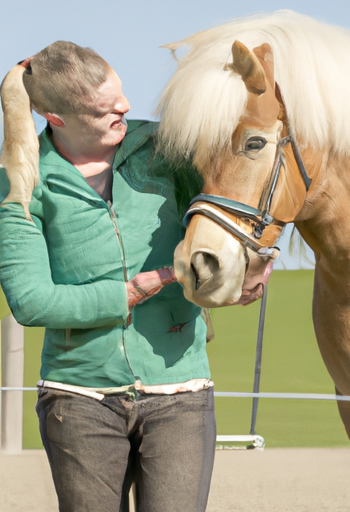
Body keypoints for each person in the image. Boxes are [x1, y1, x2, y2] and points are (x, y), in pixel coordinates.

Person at [0, 41, 216, 512]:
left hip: (180, 394)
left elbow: (225, 216)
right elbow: (32, 301)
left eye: (120, 95)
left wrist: (245, 276)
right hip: (78, 401)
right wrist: (142, 285)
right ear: (56, 118)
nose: (125, 108)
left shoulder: (167, 149)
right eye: (104, 109)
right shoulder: (20, 183)